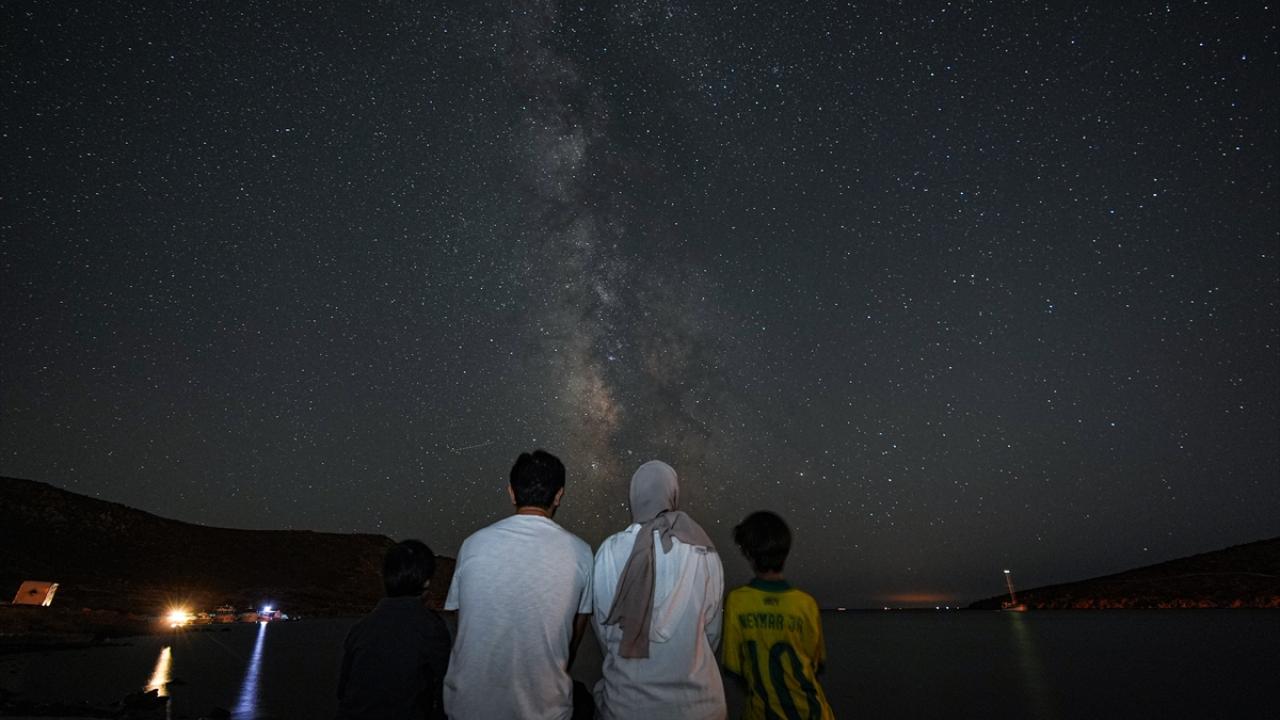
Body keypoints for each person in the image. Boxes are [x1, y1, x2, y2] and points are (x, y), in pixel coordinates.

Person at [443, 449, 595, 720]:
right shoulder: (581, 554)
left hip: (467, 708)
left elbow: (460, 618)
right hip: (545, 710)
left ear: (511, 492)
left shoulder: (472, 545)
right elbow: (575, 633)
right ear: (559, 495)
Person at [592, 460, 726, 720]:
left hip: (627, 705)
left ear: (634, 497)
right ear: (672, 494)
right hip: (698, 707)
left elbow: (604, 630)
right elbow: (711, 633)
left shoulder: (608, 550)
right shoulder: (703, 550)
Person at [722, 511, 833, 720]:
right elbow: (815, 665)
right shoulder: (805, 604)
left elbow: (735, 669)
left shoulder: (737, 602)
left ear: (748, 553)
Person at [337, 539, 451, 720]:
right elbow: (446, 692)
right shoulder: (431, 627)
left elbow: (343, 690)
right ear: (426, 582)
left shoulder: (361, 628)